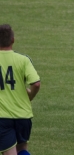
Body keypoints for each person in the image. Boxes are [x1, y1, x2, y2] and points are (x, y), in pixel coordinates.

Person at [0, 24, 41, 155]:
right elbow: (36, 84)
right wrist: (30, 96)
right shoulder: (23, 60)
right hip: (23, 115)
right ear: (13, 40)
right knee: (22, 149)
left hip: (3, 117)